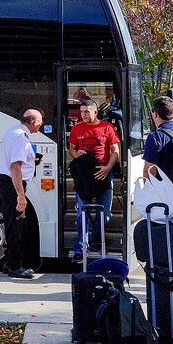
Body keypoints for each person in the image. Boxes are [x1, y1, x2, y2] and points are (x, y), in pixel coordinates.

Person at [68, 100, 121, 263]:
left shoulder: (107, 128)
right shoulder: (77, 128)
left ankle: (97, 242)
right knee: (82, 213)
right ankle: (82, 247)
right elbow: (71, 149)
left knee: (103, 214)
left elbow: (115, 151)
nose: (83, 115)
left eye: (87, 112)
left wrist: (107, 168)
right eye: (81, 111)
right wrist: (76, 154)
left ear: (95, 112)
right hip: (84, 175)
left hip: (103, 173)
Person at [0, 109, 45, 279]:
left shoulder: (14, 132)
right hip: (12, 183)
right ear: (32, 121)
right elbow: (15, 167)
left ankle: (10, 262)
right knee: (16, 223)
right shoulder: (20, 137)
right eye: (40, 120)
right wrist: (21, 195)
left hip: (7, 181)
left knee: (13, 221)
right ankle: (15, 266)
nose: (41, 123)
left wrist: (33, 160)